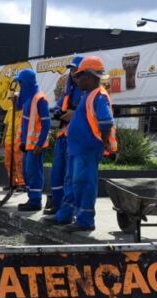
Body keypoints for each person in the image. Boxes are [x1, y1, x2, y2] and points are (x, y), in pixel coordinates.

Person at [50, 56, 117, 232]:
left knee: (84, 183)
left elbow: (106, 122)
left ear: (89, 75)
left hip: (87, 149)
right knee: (72, 182)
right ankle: (66, 215)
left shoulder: (99, 96)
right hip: (78, 149)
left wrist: (104, 142)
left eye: (79, 75)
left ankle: (85, 220)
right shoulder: (88, 95)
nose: (76, 79)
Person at [46, 55, 84, 215]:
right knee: (57, 173)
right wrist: (60, 112)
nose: (73, 73)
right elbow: (58, 106)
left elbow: (91, 113)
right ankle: (57, 205)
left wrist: (74, 114)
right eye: (72, 70)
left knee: (71, 176)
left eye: (76, 69)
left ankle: (69, 211)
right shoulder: (69, 89)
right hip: (63, 136)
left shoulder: (89, 91)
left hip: (77, 138)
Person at [14, 69, 51, 212]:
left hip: (36, 145)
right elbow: (23, 117)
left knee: (34, 172)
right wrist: (23, 142)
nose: (19, 86)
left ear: (27, 83)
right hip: (28, 144)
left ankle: (35, 201)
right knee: (27, 172)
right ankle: (31, 198)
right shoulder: (28, 98)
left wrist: (40, 144)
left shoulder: (40, 99)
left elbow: (46, 123)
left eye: (21, 83)